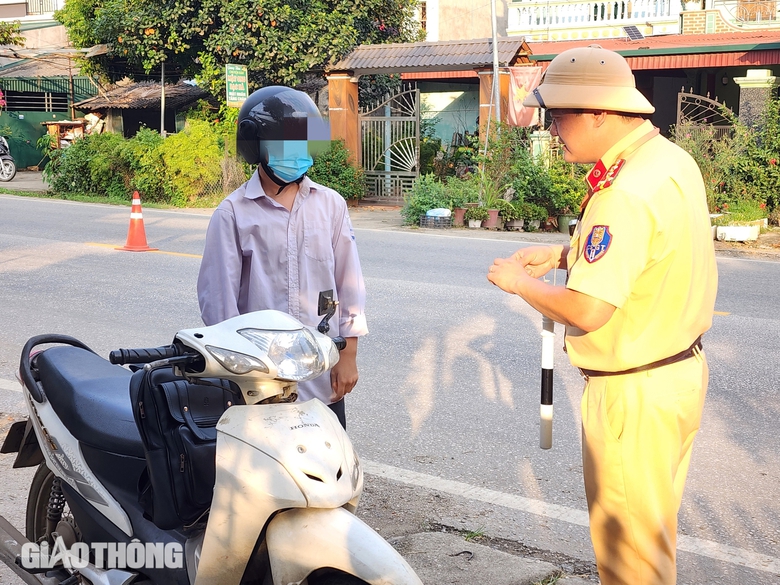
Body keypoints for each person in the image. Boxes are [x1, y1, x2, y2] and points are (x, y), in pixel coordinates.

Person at [487, 45, 717, 585]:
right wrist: (562, 255)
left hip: (632, 393)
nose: (552, 128)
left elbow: (588, 309)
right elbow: (651, 253)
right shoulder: (668, 160)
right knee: (649, 542)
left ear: (597, 112)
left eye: (558, 115)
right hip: (676, 375)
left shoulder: (622, 192)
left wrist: (519, 283)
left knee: (630, 560)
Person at [197, 85, 367, 428]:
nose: (297, 152)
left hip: (321, 378)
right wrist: (241, 372)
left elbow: (349, 283)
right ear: (255, 146)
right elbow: (219, 305)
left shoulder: (331, 205)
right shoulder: (233, 214)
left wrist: (348, 355)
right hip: (259, 385)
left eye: (303, 142)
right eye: (285, 143)